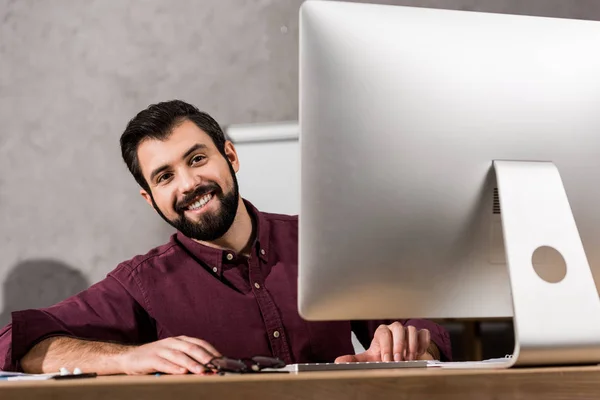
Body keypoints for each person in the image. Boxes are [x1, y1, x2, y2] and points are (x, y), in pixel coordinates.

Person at [0, 100, 451, 375]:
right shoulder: (139, 284)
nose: (188, 184)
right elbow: (15, 342)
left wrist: (411, 342)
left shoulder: (321, 241)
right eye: (164, 176)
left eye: (197, 158)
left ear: (230, 156)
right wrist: (126, 358)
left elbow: (425, 330)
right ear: (150, 198)